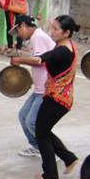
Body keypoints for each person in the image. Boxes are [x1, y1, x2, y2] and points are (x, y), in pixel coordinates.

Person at [11, 15, 80, 179]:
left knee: (41, 132)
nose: (52, 32)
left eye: (56, 29)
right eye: (52, 27)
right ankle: (69, 158)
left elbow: (41, 59)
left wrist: (20, 60)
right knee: (42, 130)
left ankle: (50, 173)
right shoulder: (65, 45)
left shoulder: (63, 51)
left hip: (57, 99)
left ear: (67, 32)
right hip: (56, 97)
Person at [12, 15, 55, 159]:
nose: (18, 35)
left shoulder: (38, 37)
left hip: (46, 88)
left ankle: (52, 149)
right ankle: (37, 146)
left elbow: (41, 61)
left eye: (18, 31)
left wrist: (20, 60)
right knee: (23, 116)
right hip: (38, 88)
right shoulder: (35, 38)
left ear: (23, 25)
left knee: (32, 121)